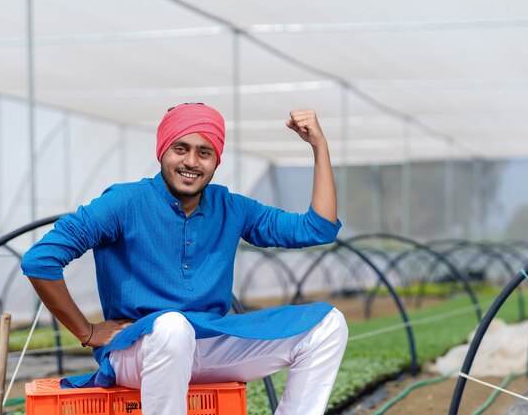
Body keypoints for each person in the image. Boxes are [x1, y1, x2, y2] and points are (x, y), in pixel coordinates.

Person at [21, 103, 348, 415]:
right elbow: (41, 260)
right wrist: (87, 332)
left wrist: (319, 146)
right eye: (181, 148)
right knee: (173, 328)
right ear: (162, 150)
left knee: (327, 324)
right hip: (138, 349)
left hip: (205, 344)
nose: (191, 161)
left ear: (216, 161)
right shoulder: (125, 202)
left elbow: (316, 229)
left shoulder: (230, 207)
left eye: (204, 152)